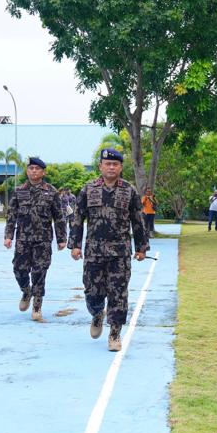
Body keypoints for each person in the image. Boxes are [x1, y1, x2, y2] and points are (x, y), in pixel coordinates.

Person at [69, 148, 149, 352]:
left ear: (121, 167)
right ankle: (97, 313)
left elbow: (138, 221)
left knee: (118, 294)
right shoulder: (88, 189)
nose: (111, 167)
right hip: (94, 252)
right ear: (101, 166)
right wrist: (75, 245)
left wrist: (141, 247)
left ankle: (114, 333)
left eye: (115, 164)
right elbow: (78, 218)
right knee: (92, 291)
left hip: (119, 254)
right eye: (107, 163)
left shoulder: (129, 191)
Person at [3, 157, 67, 322]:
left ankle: (37, 307)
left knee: (39, 273)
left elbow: (59, 217)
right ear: (27, 171)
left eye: (37, 169)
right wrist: (8, 236)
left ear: (43, 172)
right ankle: (26, 291)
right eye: (31, 168)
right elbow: (11, 215)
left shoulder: (51, 192)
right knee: (19, 269)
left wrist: (61, 238)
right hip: (23, 240)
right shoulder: (19, 191)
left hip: (43, 241)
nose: (34, 171)